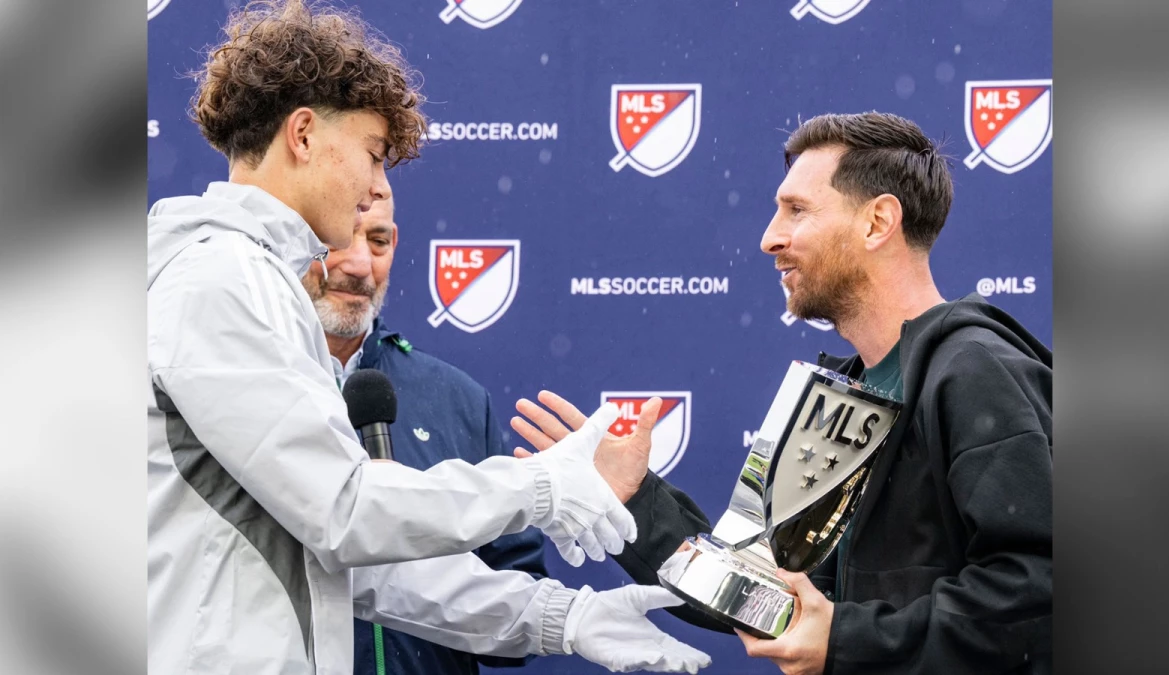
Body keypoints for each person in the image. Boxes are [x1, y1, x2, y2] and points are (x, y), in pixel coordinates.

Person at [146, 1, 710, 673]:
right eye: (374, 155)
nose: (375, 187)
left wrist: (561, 615)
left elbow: (359, 562)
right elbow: (346, 508)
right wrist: (538, 486)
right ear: (302, 134)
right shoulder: (221, 277)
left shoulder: (254, 277)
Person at [510, 112, 1053, 675]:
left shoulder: (974, 370)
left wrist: (851, 639)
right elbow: (770, 597)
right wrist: (632, 499)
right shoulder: (845, 395)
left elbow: (1044, 590)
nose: (770, 238)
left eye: (797, 210)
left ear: (877, 222)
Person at [300, 193, 550, 675]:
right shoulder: (249, 385)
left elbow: (516, 594)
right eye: (335, 241)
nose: (358, 264)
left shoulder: (456, 397)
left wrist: (560, 619)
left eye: (376, 241)